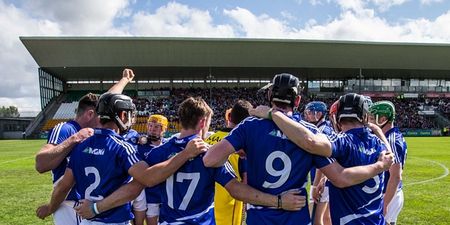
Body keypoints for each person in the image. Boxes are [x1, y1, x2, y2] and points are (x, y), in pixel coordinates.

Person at [204, 73, 394, 225]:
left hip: (259, 217)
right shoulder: (308, 131)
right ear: (297, 101)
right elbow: (340, 177)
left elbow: (210, 159)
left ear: (270, 96)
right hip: (296, 217)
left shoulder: (249, 126)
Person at [36, 93, 208, 224]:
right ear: (122, 116)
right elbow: (147, 179)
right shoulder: (121, 147)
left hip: (86, 220)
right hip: (113, 219)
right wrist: (185, 154)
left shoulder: (80, 146)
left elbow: (63, 186)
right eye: (129, 114)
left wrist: (50, 207)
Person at [248, 92, 394, 225]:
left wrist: (273, 114)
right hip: (376, 220)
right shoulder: (380, 146)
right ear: (364, 117)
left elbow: (311, 142)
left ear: (338, 117)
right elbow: (388, 157)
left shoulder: (342, 142)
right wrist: (378, 131)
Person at [34, 69, 135, 225]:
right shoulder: (66, 129)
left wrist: (124, 80)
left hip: (89, 203)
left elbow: (108, 98)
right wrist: (74, 139)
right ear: (90, 114)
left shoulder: (97, 133)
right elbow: (41, 164)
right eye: (100, 113)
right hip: (67, 203)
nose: (104, 117)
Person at [204, 100, 253, 225]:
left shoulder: (209, 139)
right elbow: (246, 181)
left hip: (206, 207)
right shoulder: (242, 146)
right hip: (228, 208)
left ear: (229, 117)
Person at [369, 101, 407, 225]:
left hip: (389, 195)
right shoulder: (388, 136)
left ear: (383, 118)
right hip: (389, 194)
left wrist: (385, 203)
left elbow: (395, 176)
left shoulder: (391, 140)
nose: (369, 121)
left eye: (372, 118)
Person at [304, 101, 335, 225]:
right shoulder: (325, 128)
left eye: (311, 112)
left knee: (316, 219)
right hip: (327, 180)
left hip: (321, 180)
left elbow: (322, 162)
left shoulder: (322, 131)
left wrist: (315, 185)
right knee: (327, 218)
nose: (308, 115)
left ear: (319, 114)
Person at [139, 114, 169, 225]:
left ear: (164, 129)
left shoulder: (169, 145)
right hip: (151, 195)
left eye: (156, 127)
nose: (152, 129)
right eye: (150, 126)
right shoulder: (141, 146)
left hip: (167, 194)